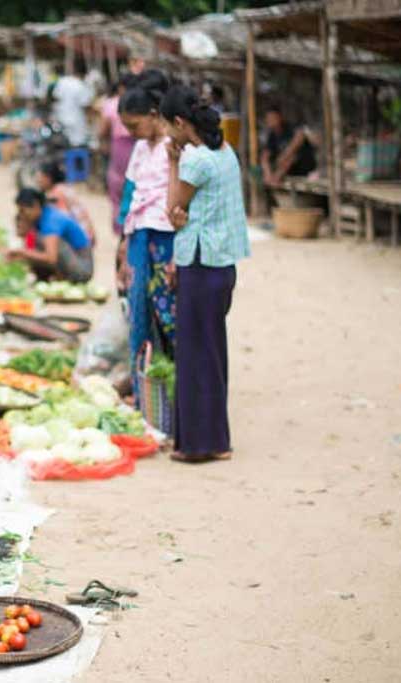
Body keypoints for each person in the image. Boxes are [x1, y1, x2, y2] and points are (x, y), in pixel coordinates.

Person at [162, 84, 251, 464]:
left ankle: (200, 444)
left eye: (169, 126)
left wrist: (172, 164)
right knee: (212, 354)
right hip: (222, 265)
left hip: (200, 265)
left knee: (194, 354)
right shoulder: (225, 152)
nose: (167, 133)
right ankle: (216, 439)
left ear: (181, 123)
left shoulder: (195, 160)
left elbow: (173, 209)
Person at [118, 82, 177, 420]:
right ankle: (145, 402)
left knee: (171, 318)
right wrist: (125, 244)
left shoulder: (175, 146)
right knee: (140, 313)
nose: (132, 133)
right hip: (140, 235)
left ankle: (176, 400)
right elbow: (133, 195)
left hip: (167, 237)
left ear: (154, 115)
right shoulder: (140, 149)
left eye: (136, 125)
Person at [11, 188, 94, 283]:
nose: (22, 215)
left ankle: (62, 278)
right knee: (34, 245)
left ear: (36, 205)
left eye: (23, 210)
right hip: (71, 259)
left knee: (40, 242)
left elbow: (51, 258)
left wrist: (22, 252)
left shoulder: (51, 221)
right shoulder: (41, 218)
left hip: (81, 269)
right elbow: (29, 245)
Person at [97, 72, 144, 238]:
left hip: (120, 148)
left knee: (118, 186)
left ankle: (122, 228)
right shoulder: (142, 103)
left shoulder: (111, 104)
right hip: (137, 145)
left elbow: (102, 130)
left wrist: (103, 143)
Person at [36, 159, 95, 245]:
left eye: (40, 179)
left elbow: (62, 219)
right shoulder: (64, 188)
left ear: (48, 178)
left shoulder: (56, 194)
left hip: (81, 238)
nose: (38, 182)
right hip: (88, 234)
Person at [260, 106, 318, 188]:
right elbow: (265, 155)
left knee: (290, 157)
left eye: (273, 118)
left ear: (280, 117)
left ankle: (275, 178)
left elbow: (300, 136)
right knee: (266, 158)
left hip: (303, 166)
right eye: (269, 119)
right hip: (287, 169)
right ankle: (271, 179)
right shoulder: (272, 135)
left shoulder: (290, 127)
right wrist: (267, 172)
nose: (271, 121)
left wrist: (284, 155)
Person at [51, 71, 95, 147]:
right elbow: (85, 104)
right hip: (76, 119)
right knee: (77, 143)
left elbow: (55, 97)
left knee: (65, 142)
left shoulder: (62, 81)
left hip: (61, 116)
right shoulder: (80, 85)